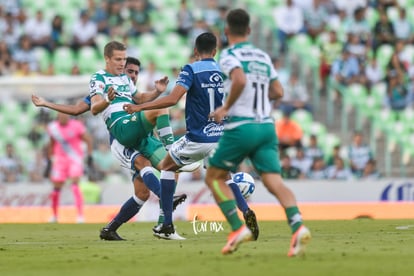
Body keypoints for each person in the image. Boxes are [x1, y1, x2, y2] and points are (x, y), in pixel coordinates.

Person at [32, 57, 189, 240]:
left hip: (143, 140)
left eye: (136, 72)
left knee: (146, 190)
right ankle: (166, 202)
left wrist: (156, 91)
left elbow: (146, 100)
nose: (133, 76)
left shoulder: (133, 92)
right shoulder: (105, 89)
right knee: (144, 164)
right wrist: (46, 103)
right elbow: (76, 109)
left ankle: (115, 229)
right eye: (129, 71)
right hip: (122, 141)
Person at [123, 32, 259, 241]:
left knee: (167, 167)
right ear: (215, 51)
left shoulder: (191, 69)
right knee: (225, 176)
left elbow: (173, 99)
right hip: (221, 137)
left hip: (197, 138)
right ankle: (245, 209)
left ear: (195, 51)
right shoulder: (225, 70)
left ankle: (166, 224)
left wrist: (140, 106)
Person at [204, 9, 311, 256]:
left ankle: (236, 228)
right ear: (249, 31)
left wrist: (226, 108)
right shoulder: (262, 56)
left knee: (214, 177)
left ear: (227, 31)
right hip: (266, 126)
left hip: (242, 126)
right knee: (274, 181)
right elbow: (278, 92)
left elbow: (239, 80)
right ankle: (297, 226)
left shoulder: (230, 54)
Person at [45, 112, 93, 223]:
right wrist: (49, 160)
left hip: (74, 159)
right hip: (60, 161)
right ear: (58, 117)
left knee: (75, 184)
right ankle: (54, 215)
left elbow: (88, 140)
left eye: (65, 116)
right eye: (61, 116)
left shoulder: (77, 125)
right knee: (56, 188)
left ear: (68, 116)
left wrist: (89, 155)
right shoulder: (53, 128)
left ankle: (80, 215)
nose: (63, 118)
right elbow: (51, 144)